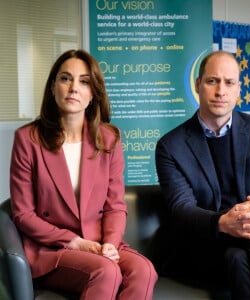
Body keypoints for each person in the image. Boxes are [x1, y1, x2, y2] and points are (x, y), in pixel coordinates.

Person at [10, 49, 157, 299]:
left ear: (93, 93)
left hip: (99, 244)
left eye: (84, 81)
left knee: (144, 270)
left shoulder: (109, 138)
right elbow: (23, 214)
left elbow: (115, 206)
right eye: (66, 78)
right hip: (53, 249)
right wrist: (74, 242)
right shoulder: (27, 139)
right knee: (106, 271)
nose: (74, 88)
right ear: (53, 87)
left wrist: (110, 243)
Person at [154, 50, 250, 299]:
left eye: (229, 82)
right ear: (198, 85)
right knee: (246, 233)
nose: (221, 91)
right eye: (212, 81)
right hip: (207, 247)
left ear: (238, 89)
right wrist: (223, 222)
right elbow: (181, 209)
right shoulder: (171, 146)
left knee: (241, 251)